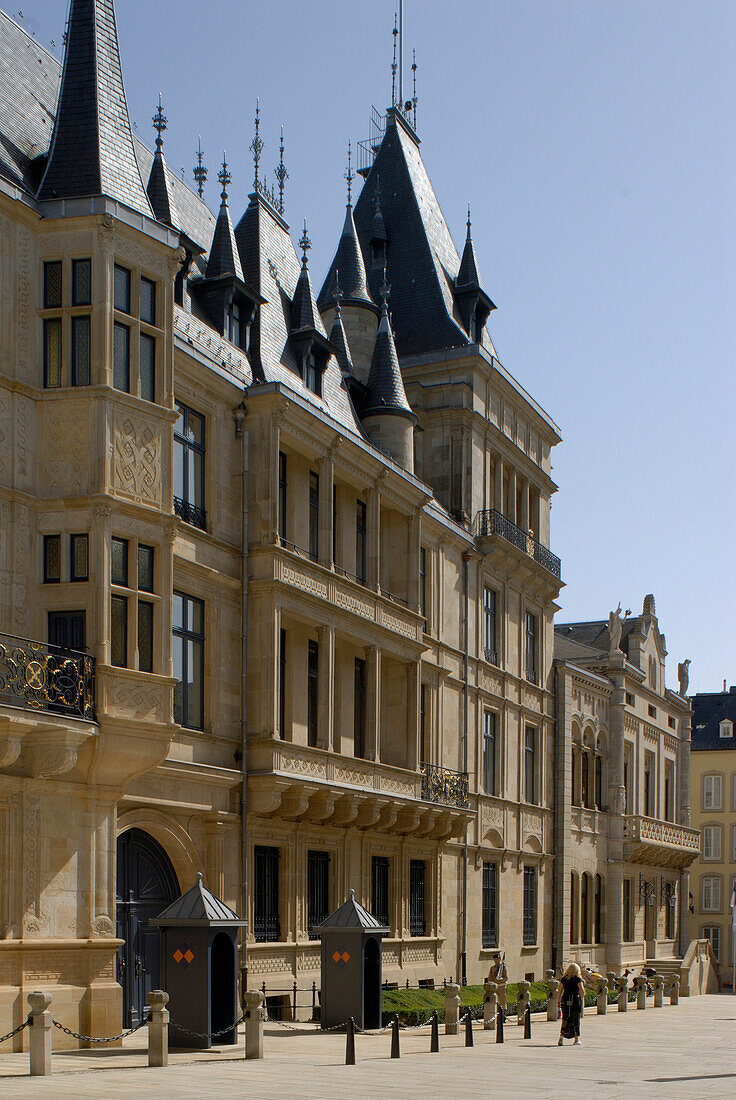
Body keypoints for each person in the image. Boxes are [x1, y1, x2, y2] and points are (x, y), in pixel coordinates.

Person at [558, 962, 585, 1046]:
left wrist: (558, 1002)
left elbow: (559, 991)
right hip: (575, 1000)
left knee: (566, 1018)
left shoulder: (564, 979)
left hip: (565, 999)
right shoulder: (577, 979)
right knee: (575, 1019)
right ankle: (576, 1039)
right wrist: (580, 997)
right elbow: (582, 991)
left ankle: (561, 1036)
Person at [486, 951, 508, 1016]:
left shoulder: (503, 967)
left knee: (503, 1001)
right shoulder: (492, 968)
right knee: (494, 1000)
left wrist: (500, 980)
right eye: (495, 959)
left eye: (497, 959)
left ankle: (503, 1015)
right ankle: (496, 1014)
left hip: (501, 987)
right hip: (495, 987)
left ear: (500, 959)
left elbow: (506, 978)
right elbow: (490, 978)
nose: (496, 961)